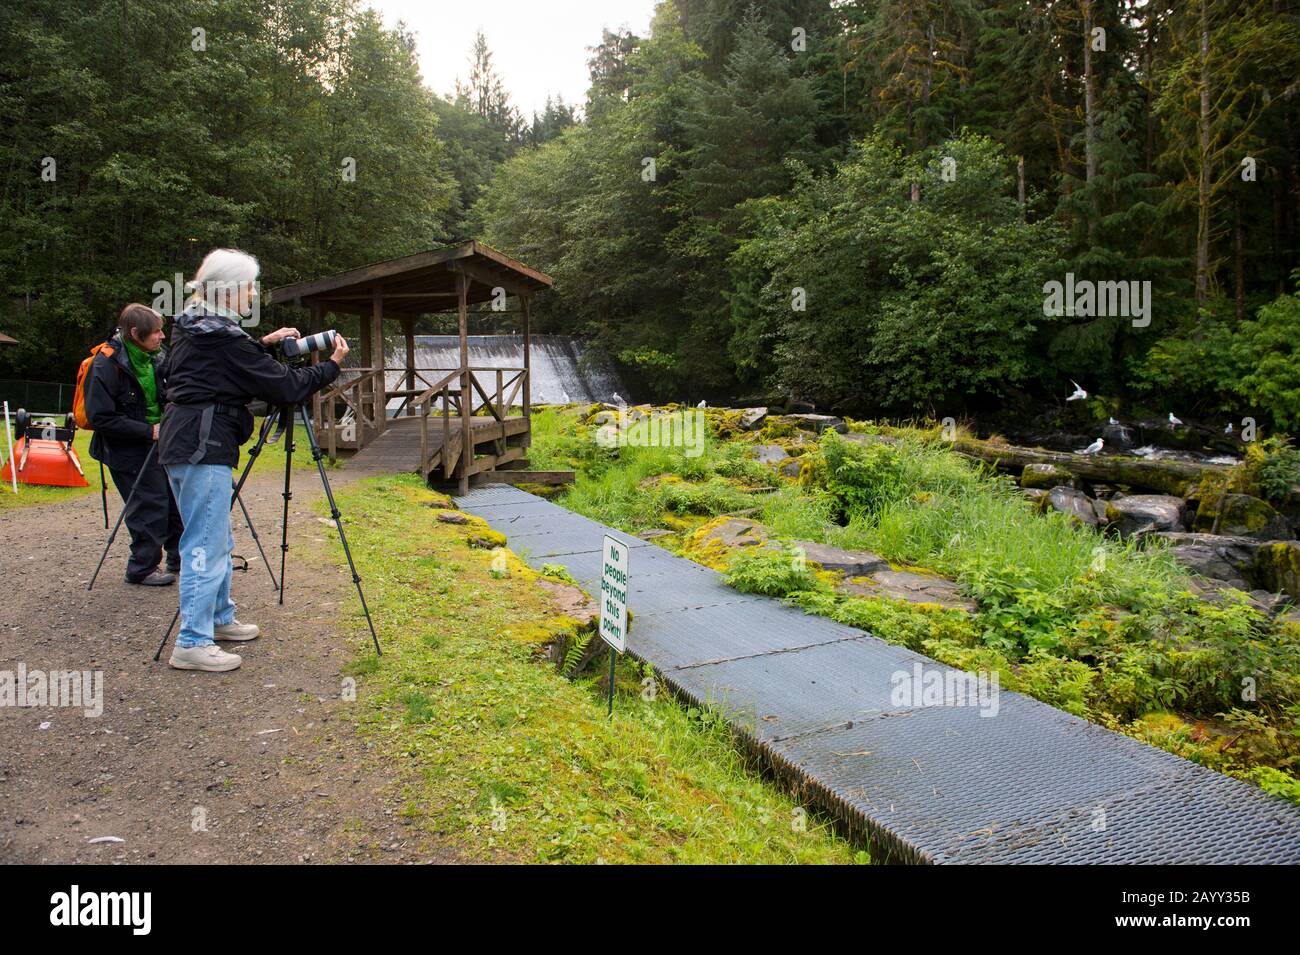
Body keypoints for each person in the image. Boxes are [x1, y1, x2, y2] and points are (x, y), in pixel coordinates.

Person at [159, 248, 348, 673]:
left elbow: (223, 364)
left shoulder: (195, 326)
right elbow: (284, 387)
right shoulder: (220, 336)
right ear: (229, 290)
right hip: (201, 444)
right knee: (204, 544)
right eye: (249, 287)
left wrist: (260, 344)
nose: (253, 294)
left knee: (217, 538)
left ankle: (219, 619)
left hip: (192, 441)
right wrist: (332, 366)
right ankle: (191, 640)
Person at [86, 304, 183, 585]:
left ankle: (179, 557)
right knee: (148, 505)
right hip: (126, 448)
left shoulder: (155, 357)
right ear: (134, 333)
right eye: (155, 332)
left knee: (175, 499)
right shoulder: (105, 364)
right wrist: (146, 431)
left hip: (161, 441)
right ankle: (141, 568)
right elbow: (100, 417)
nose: (162, 337)